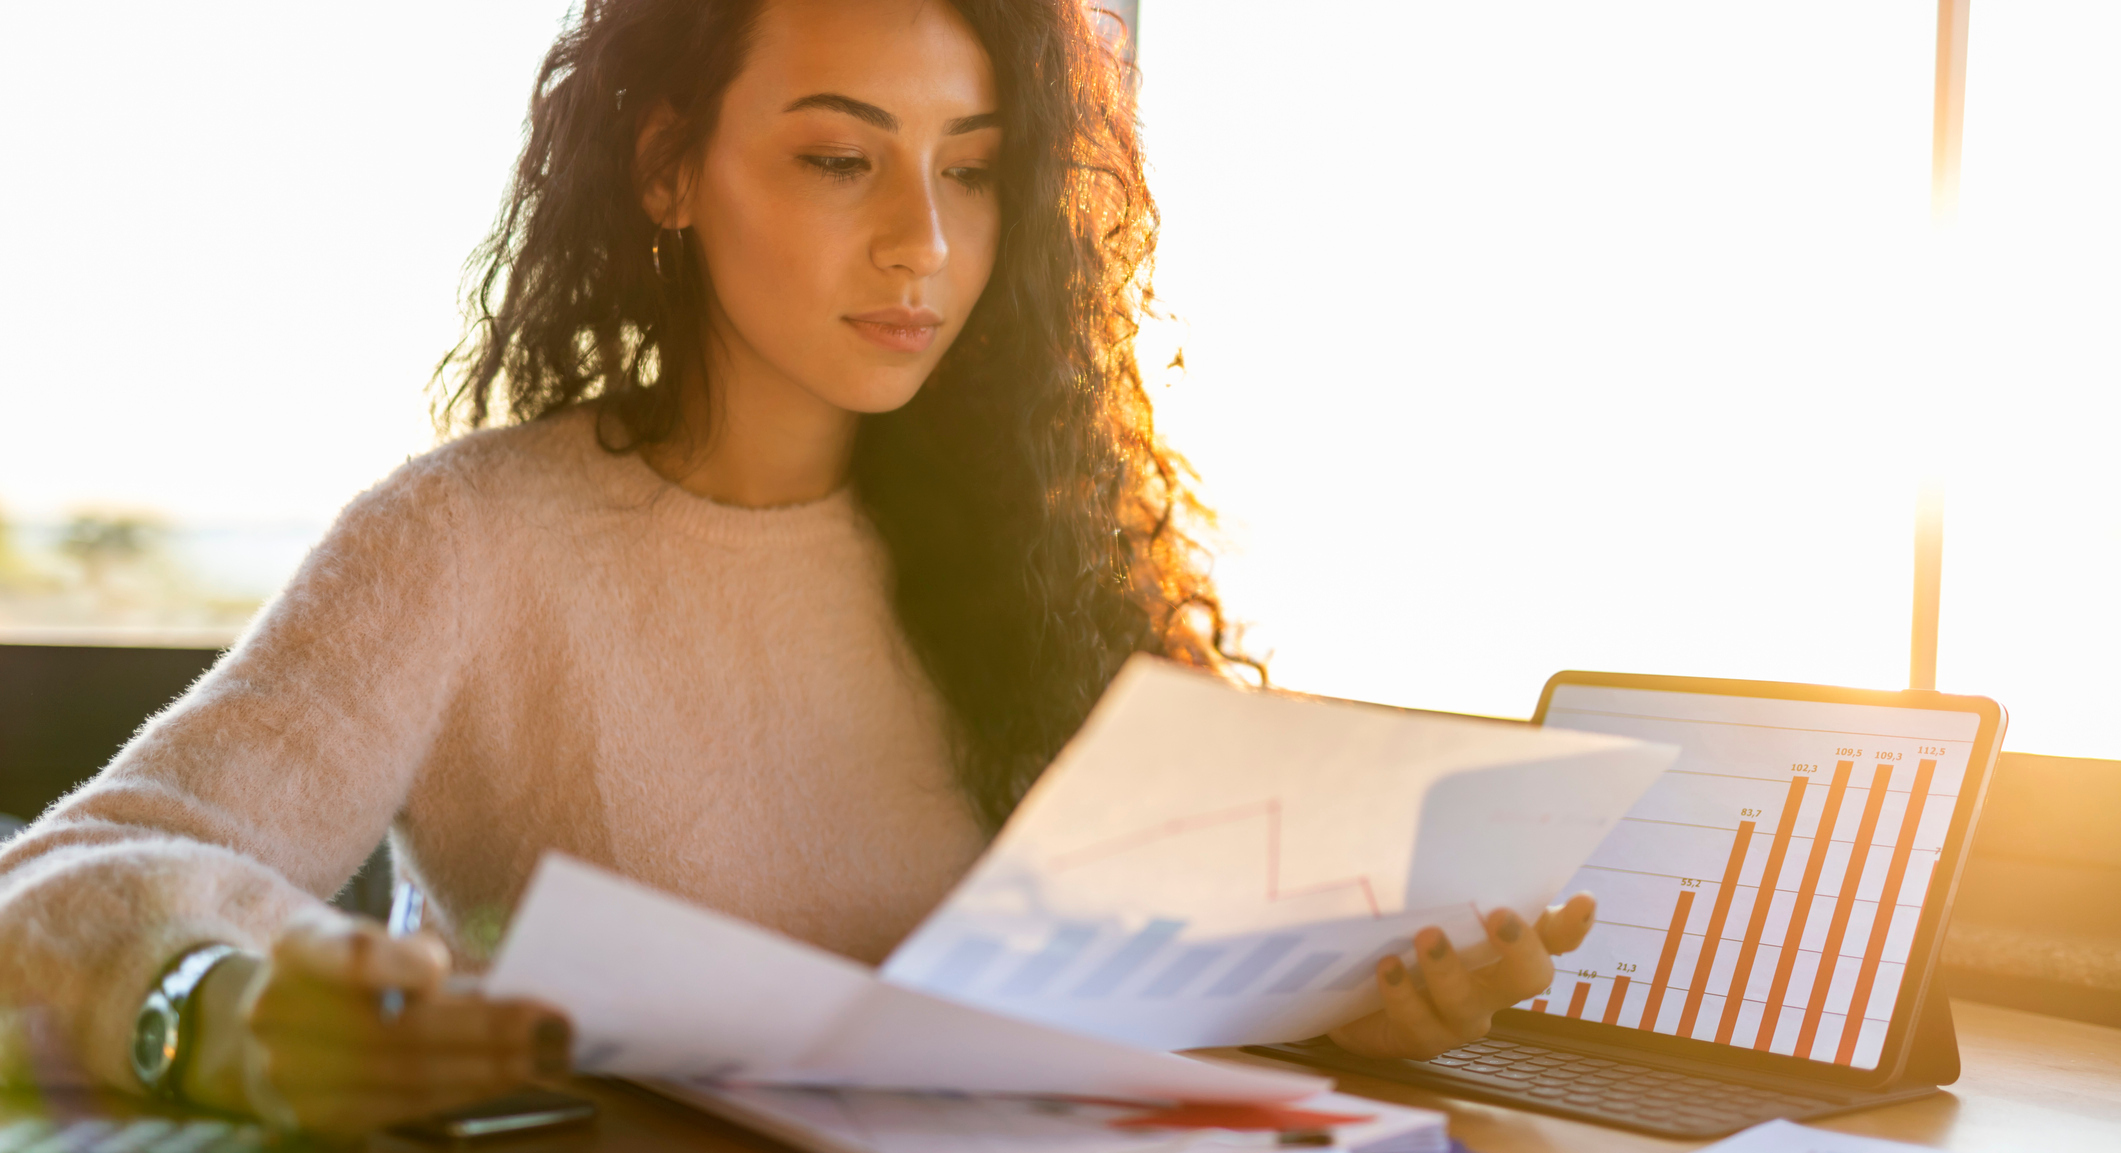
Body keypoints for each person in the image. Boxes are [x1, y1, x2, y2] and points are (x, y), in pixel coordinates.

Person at [0, 0, 1595, 1137]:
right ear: (668, 170)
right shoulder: (464, 541)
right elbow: (55, 882)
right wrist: (207, 1006)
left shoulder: (1033, 546)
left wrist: (1350, 994)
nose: (925, 241)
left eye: (969, 168)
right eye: (844, 160)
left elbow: (1121, 981)